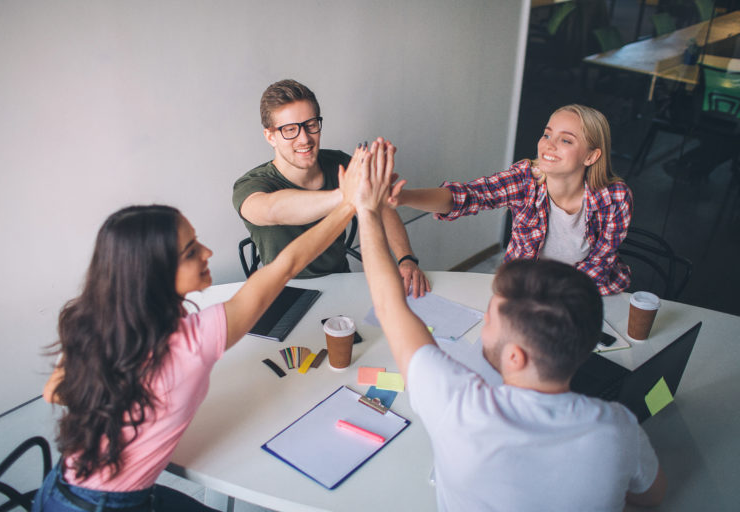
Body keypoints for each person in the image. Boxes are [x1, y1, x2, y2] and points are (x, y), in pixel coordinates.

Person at [33, 144, 372, 511]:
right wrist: (351, 204)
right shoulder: (190, 343)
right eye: (191, 250)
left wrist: (125, 406)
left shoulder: (91, 321)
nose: (208, 252)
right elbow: (284, 266)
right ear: (154, 275)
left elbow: (53, 392)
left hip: (61, 488)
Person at [351, 139, 666, 510]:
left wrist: (366, 210)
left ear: (515, 357)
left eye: (490, 316)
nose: (484, 317)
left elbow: (389, 305)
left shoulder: (457, 404)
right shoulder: (619, 428)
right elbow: (652, 498)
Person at [388, 104, 632, 295]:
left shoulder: (615, 198)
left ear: (591, 156)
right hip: (524, 289)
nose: (549, 145)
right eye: (547, 135)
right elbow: (466, 196)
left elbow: (599, 264)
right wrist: (404, 197)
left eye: (566, 140)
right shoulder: (526, 180)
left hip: (587, 292)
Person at [233, 79, 429, 297]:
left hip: (340, 281)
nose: (305, 138)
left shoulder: (340, 165)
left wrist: (406, 259)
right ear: (270, 136)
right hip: (284, 293)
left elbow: (384, 206)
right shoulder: (251, 185)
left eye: (311, 125)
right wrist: (346, 196)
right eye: (290, 130)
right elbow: (273, 209)